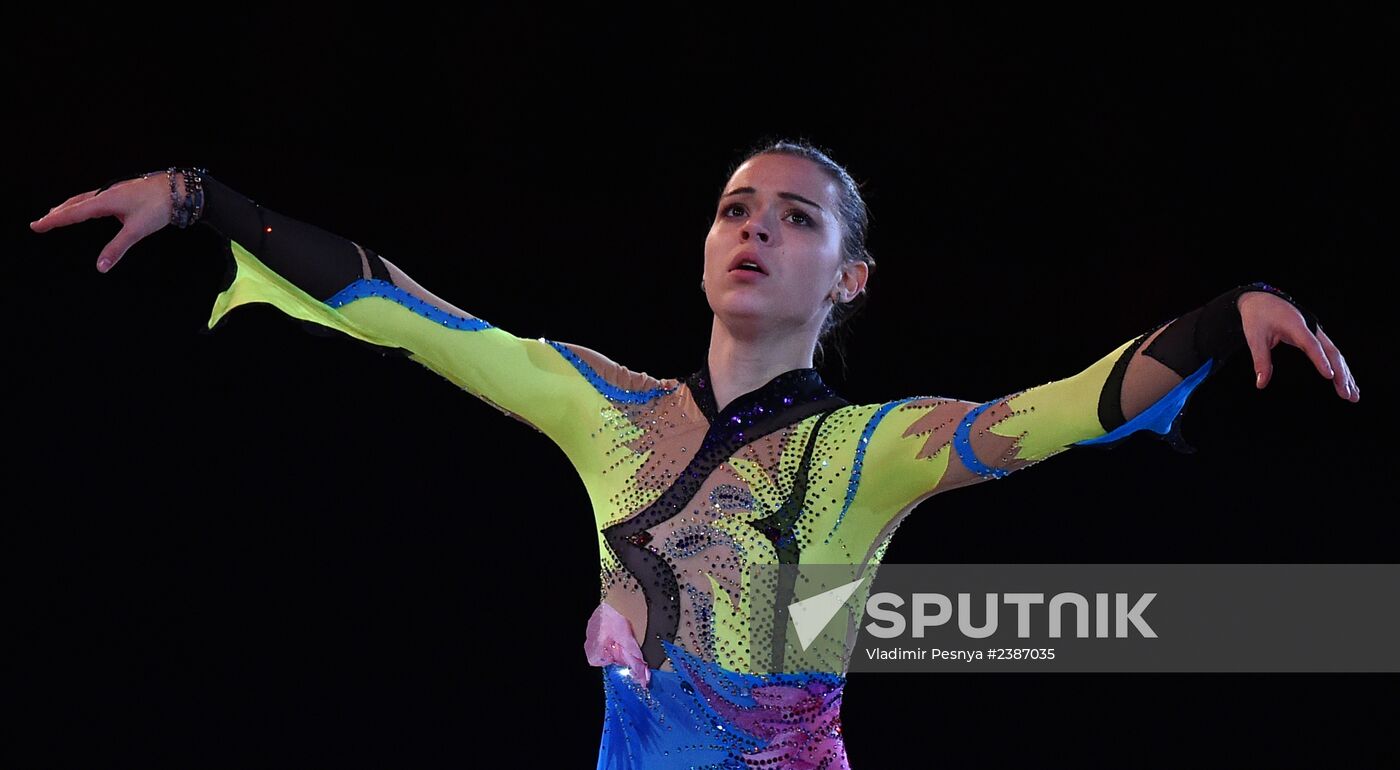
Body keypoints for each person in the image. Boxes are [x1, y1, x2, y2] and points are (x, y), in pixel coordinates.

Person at [29, 140, 1360, 769]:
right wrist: (208, 202)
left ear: (849, 280)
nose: (754, 230)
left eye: (794, 218)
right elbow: (409, 312)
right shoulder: (603, 408)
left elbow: (1071, 405)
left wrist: (1213, 319)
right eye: (735, 207)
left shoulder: (866, 451)